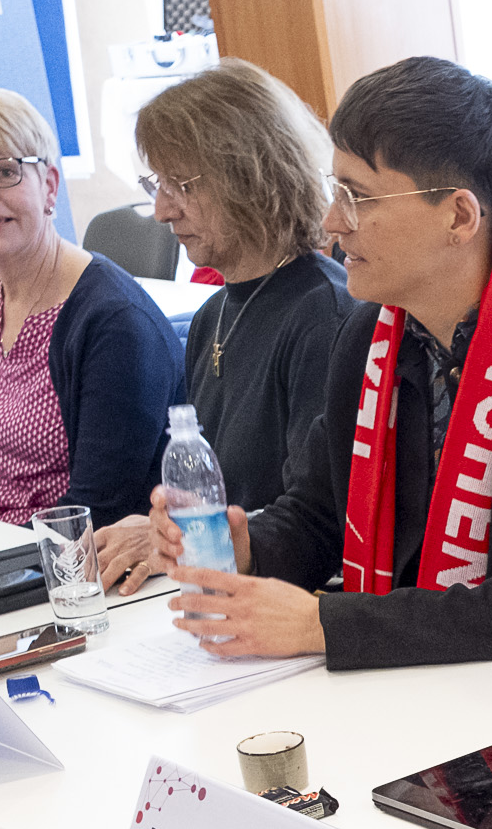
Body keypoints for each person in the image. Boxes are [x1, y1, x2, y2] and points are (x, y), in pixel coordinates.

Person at [168, 57, 492, 690]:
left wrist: (322, 623)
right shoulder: (368, 337)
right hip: (412, 677)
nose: (332, 222)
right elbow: (319, 515)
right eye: (335, 191)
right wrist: (246, 548)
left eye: (358, 197)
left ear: (459, 217)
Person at [88, 61, 358, 589]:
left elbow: (319, 523)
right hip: (221, 583)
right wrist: (164, 530)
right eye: (156, 184)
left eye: (180, 186)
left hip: (286, 596)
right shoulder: (213, 313)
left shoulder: (324, 314)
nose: (161, 211)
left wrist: (187, 539)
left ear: (251, 176)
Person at [0, 87, 181, 529]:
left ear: (49, 185)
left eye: (4, 171)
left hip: (80, 557)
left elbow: (99, 506)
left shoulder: (113, 321)